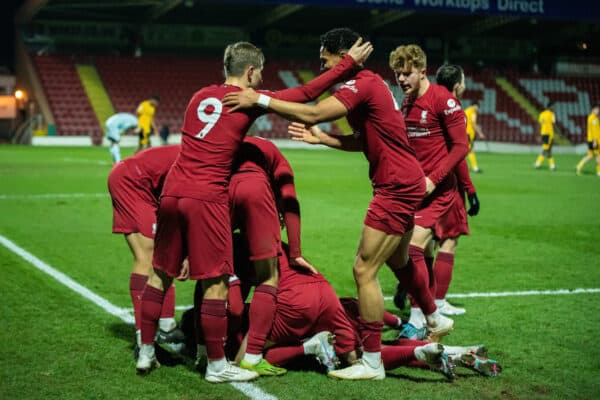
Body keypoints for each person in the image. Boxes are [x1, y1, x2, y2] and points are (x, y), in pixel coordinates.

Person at [136, 39, 373, 382]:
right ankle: (217, 366)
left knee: (159, 274)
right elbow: (306, 93)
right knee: (216, 280)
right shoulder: (245, 102)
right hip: (206, 196)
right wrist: (348, 65)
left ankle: (145, 353)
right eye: (260, 72)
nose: (262, 79)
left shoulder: (200, 95)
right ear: (250, 72)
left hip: (172, 192)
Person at [223, 28, 453, 381]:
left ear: (340, 54)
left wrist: (259, 100)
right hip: (403, 181)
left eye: (324, 59)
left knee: (364, 270)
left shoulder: (359, 84)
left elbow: (313, 113)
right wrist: (324, 141)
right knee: (399, 259)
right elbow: (366, 141)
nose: (322, 67)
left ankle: (372, 363)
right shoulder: (371, 86)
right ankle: (434, 316)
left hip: (395, 187)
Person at [388, 45, 469, 333]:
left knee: (412, 248)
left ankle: (421, 318)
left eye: (407, 73)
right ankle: (428, 309)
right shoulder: (407, 102)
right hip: (414, 191)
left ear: (423, 71)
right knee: (417, 252)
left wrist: (434, 178)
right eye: (397, 74)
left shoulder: (444, 101)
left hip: (439, 191)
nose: (401, 79)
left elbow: (461, 146)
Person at [107, 145, 184, 354]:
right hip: (133, 183)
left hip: (138, 182)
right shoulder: (204, 161)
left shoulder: (204, 153)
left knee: (160, 253)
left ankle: (166, 325)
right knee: (147, 255)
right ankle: (145, 338)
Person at [576, 104, 600, 176]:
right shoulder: (593, 119)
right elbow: (594, 131)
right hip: (594, 141)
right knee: (598, 156)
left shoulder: (592, 118)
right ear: (593, 110)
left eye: (598, 110)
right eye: (596, 109)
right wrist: (595, 141)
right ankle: (599, 172)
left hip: (591, 140)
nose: (598, 111)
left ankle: (579, 166)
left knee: (590, 155)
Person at [464, 101, 486, 173]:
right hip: (469, 133)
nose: (477, 108)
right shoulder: (473, 112)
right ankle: (475, 168)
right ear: (473, 105)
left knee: (465, 151)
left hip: (464, 133)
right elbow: (473, 124)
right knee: (471, 150)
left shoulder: (465, 111)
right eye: (477, 106)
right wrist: (480, 133)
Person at [534, 102, 557, 170]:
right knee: (547, 149)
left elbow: (539, 124)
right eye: (553, 107)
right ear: (549, 107)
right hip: (549, 134)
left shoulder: (542, 114)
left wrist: (538, 135)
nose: (554, 108)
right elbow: (554, 123)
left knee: (547, 149)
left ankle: (551, 165)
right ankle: (538, 163)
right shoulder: (552, 114)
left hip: (543, 133)